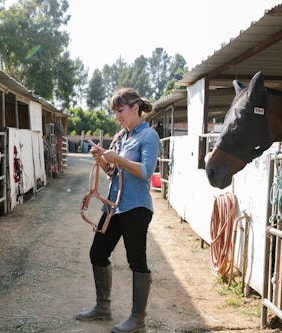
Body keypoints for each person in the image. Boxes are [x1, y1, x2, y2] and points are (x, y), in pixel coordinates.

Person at [75, 88, 160, 333]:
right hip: (114, 207)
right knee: (97, 252)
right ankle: (103, 308)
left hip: (136, 208)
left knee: (137, 260)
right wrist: (102, 160)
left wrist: (119, 159)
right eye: (114, 112)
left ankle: (138, 320)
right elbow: (114, 174)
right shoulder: (121, 137)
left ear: (135, 108)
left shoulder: (148, 136)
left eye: (120, 111)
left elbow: (145, 172)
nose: (117, 116)